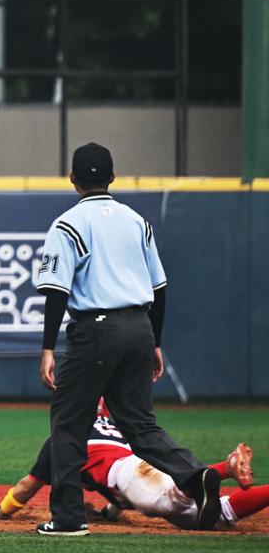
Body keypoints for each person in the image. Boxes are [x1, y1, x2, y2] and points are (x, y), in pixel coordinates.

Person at [36, 142, 220, 536]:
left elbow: (56, 292)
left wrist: (48, 347)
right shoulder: (137, 221)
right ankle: (194, 475)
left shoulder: (67, 224)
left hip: (95, 330)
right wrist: (154, 341)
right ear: (112, 178)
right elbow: (160, 287)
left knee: (69, 424)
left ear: (72, 179)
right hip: (139, 326)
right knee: (139, 424)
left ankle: (68, 519)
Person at [0, 409, 264, 531]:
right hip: (141, 467)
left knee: (174, 498)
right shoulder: (115, 423)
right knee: (211, 517)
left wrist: (0, 512)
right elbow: (120, 493)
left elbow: (27, 487)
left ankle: (226, 467)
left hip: (127, 473)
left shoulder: (61, 438)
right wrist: (108, 514)